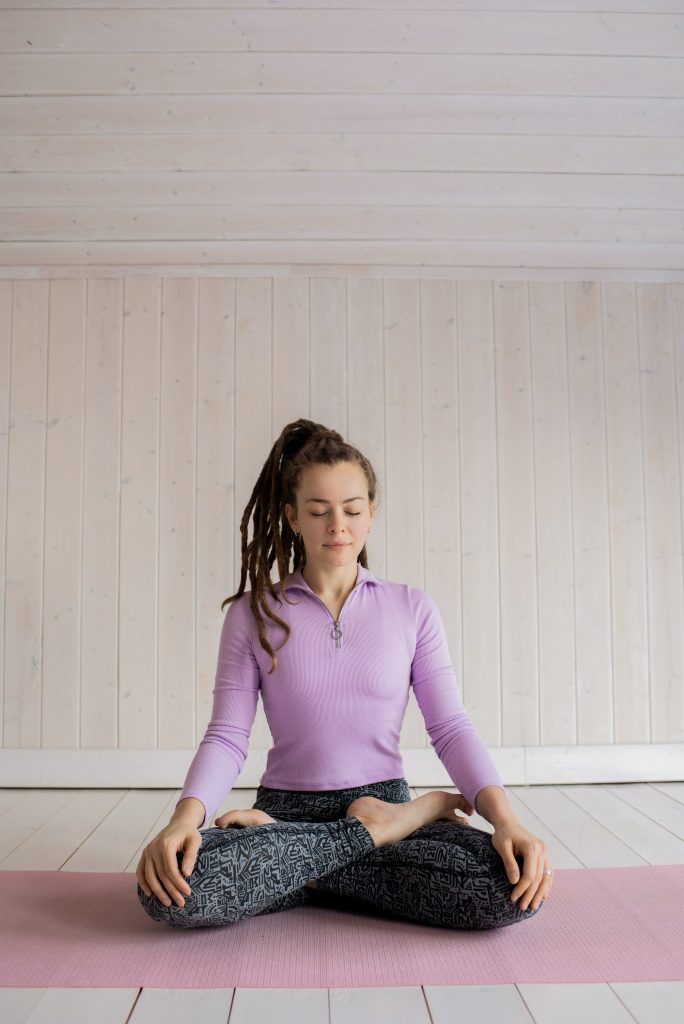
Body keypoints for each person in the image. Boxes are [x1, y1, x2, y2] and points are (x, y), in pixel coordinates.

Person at [136, 418, 553, 930]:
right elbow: (228, 735)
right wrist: (184, 820)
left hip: (378, 801)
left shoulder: (411, 608)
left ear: (371, 514)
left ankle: (299, 865)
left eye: (353, 510)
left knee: (508, 887)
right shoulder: (252, 613)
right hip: (293, 809)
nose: (338, 526)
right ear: (292, 516)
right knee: (169, 890)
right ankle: (375, 835)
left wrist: (507, 821)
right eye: (319, 511)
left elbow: (450, 726)